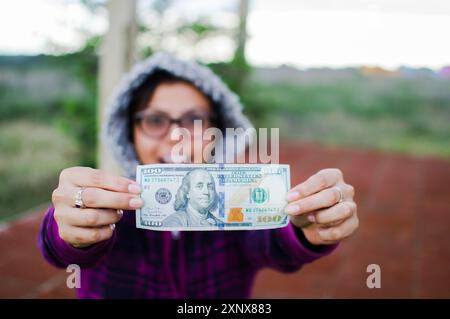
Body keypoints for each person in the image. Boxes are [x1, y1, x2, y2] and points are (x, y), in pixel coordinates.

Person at [38, 53, 359, 298]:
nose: (177, 136)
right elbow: (61, 249)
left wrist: (306, 229)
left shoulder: (238, 202)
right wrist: (67, 225)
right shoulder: (109, 208)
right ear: (130, 132)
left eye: (193, 120)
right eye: (155, 120)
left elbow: (274, 243)